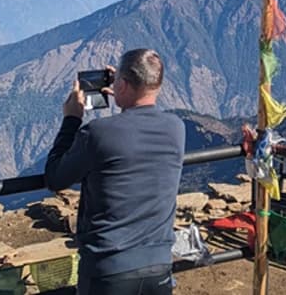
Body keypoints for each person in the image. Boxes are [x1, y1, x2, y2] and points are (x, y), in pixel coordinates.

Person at [45, 48, 186, 295]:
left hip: (108, 269)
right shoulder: (176, 129)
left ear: (121, 83)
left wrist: (71, 120)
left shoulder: (98, 133)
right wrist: (125, 94)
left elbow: (55, 177)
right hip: (159, 266)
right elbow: (136, 135)